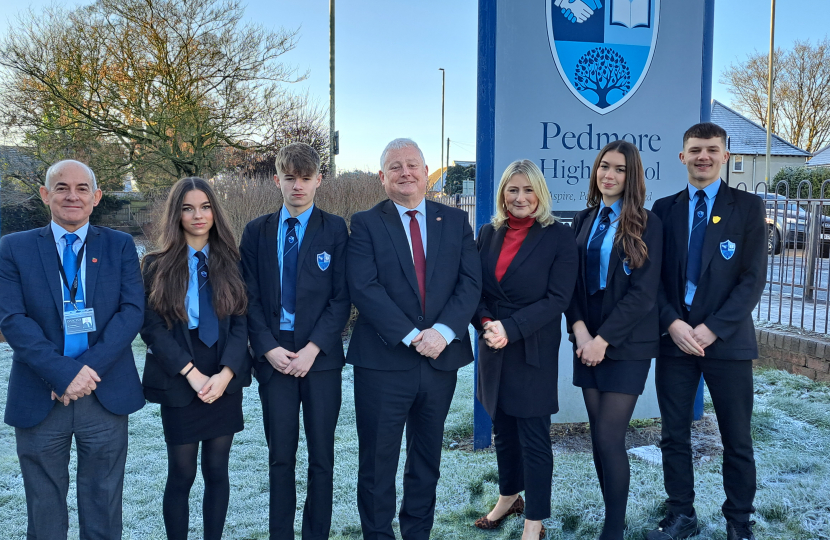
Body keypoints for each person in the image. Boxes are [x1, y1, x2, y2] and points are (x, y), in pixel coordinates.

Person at [0, 159, 145, 539]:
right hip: (40, 394)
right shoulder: (13, 248)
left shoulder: (120, 246)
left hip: (104, 394)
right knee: (44, 508)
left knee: (103, 503)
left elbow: (131, 313)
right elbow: (13, 319)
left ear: (96, 197)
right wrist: (63, 374)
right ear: (46, 195)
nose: (72, 195)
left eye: (82, 188)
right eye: (61, 187)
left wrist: (83, 373)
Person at [346, 138, 482, 540]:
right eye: (395, 166)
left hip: (439, 363)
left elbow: (470, 284)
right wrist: (410, 335)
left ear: (426, 172)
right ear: (382, 178)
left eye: (412, 165)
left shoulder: (455, 222)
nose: (405, 172)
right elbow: (364, 287)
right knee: (377, 463)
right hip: (383, 363)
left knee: (426, 461)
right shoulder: (366, 223)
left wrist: (441, 333)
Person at [645, 123, 767, 540]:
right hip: (675, 340)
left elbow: (751, 280)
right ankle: (681, 513)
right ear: (682, 157)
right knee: (673, 433)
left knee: (736, 437)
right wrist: (671, 323)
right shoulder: (663, 209)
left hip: (727, 341)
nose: (703, 157)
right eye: (695, 150)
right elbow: (651, 279)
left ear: (725, 156)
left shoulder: (749, 208)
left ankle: (739, 521)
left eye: (712, 150)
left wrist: (712, 329)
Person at [240, 143, 350, 540]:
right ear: (277, 180)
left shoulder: (335, 229)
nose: (298, 186)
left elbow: (342, 297)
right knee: (280, 458)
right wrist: (266, 347)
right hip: (275, 360)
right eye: (290, 178)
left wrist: (314, 348)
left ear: (319, 180)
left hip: (319, 360)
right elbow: (246, 297)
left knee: (322, 456)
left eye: (306, 178)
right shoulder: (256, 232)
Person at [140, 177, 251, 540]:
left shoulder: (232, 261)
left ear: (214, 211)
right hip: (179, 378)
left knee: (218, 471)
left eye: (204, 207)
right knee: (182, 474)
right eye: (188, 208)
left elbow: (240, 324)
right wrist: (191, 373)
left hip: (223, 377)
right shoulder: (156, 265)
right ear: (177, 214)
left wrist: (225, 374)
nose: (197, 215)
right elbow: (152, 329)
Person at [472, 160, 577, 540]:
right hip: (492, 347)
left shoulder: (558, 238)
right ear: (503, 193)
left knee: (533, 437)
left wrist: (510, 329)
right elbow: (475, 290)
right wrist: (486, 324)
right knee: (504, 430)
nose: (520, 198)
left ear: (541, 193)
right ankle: (508, 497)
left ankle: (534, 520)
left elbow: (558, 299)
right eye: (513, 190)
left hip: (531, 347)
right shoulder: (487, 233)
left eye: (528, 190)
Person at [564, 141, 662, 540]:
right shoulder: (584, 219)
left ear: (632, 175)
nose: (610, 175)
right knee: (598, 438)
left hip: (626, 344)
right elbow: (568, 282)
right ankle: (614, 516)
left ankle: (612, 530)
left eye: (620, 169)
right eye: (605, 167)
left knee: (609, 436)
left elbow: (644, 293)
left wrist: (603, 339)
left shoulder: (648, 223)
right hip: (586, 340)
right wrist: (581, 331)